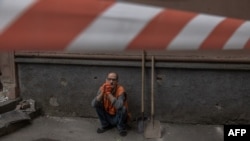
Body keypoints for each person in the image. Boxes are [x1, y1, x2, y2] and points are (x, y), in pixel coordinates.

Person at [91, 72, 130, 136]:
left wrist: (108, 93)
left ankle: (121, 127)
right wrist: (102, 93)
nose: (111, 81)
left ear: (117, 81)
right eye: (109, 79)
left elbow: (119, 106)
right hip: (108, 116)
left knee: (123, 108)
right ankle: (105, 125)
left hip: (118, 118)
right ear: (106, 80)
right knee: (97, 103)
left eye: (113, 80)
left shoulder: (121, 90)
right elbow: (93, 104)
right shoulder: (102, 88)